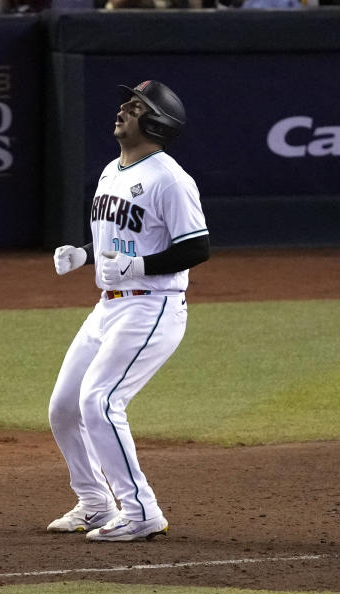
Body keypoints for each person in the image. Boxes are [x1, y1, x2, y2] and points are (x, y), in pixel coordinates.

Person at [47, 79, 209, 542]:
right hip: (107, 308)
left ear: (155, 122)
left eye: (135, 106)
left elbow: (197, 247)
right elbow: (118, 244)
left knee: (100, 401)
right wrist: (84, 254)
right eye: (126, 102)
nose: (123, 109)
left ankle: (140, 511)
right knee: (64, 408)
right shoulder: (110, 171)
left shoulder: (170, 179)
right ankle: (96, 503)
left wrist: (138, 265)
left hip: (152, 308)